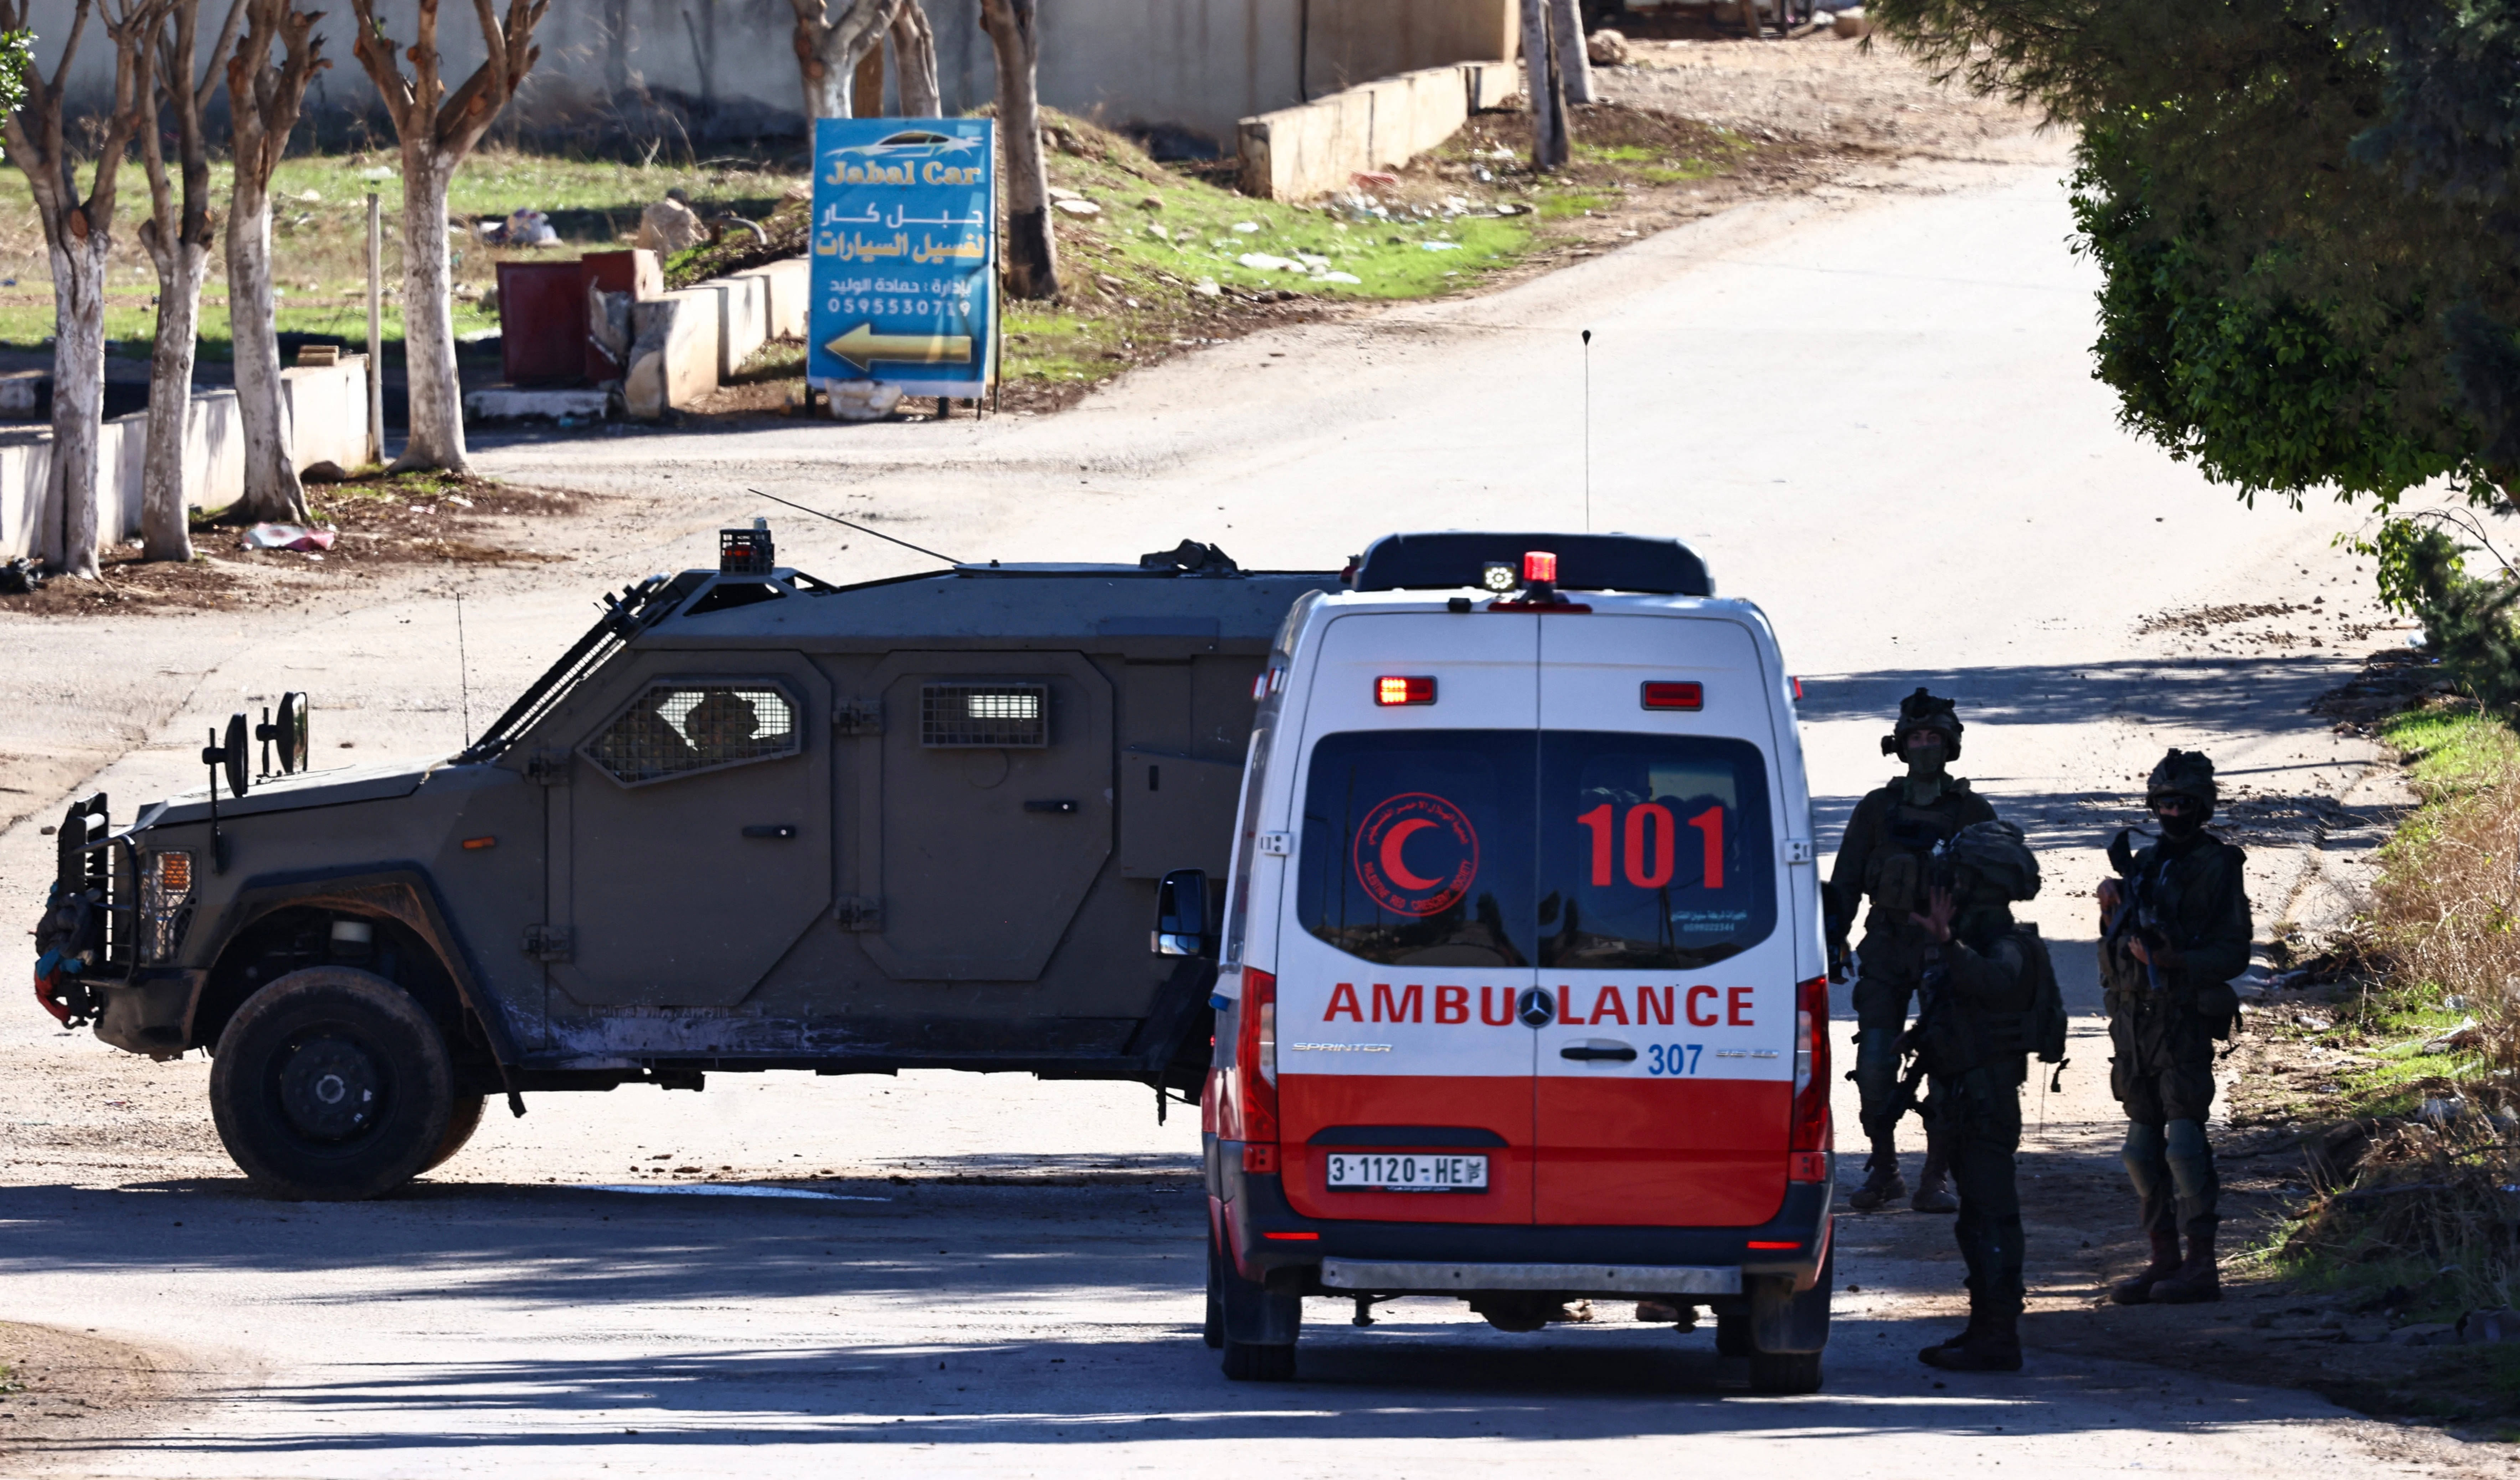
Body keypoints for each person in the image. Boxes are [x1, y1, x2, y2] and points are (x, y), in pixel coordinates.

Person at [1827, 688, 1999, 1212]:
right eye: (1916, 738)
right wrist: (1834, 937)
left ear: (1950, 746)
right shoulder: (1877, 809)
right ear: (1900, 746)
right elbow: (1845, 882)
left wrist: (1979, 953)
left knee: (1946, 1063)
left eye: (1933, 738)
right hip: (1885, 942)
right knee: (1876, 1060)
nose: (1924, 747)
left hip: (1944, 948)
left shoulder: (1971, 811)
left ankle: (1935, 1176)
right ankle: (1883, 1166)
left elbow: (1996, 890)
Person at [2098, 748, 2252, 1306]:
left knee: (2183, 1143)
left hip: (2183, 1016)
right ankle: (2161, 1259)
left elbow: (2234, 951)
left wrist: (2176, 962)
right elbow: (2120, 948)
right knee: (2140, 1151)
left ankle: (2201, 1263)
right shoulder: (2142, 865)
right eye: (2163, 802)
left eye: (2183, 803)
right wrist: (2111, 908)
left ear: (2202, 807)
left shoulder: (2217, 866)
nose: (2172, 811)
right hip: (2134, 1024)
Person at [1908, 819, 2047, 1373]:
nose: (1947, 885)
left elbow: (1993, 983)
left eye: (1958, 876)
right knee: (1973, 1217)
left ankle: (1998, 1334)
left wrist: (1948, 944)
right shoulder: (1971, 940)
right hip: (1962, 1096)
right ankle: (1983, 1325)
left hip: (1987, 1099)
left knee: (1992, 1216)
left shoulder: (2007, 943)